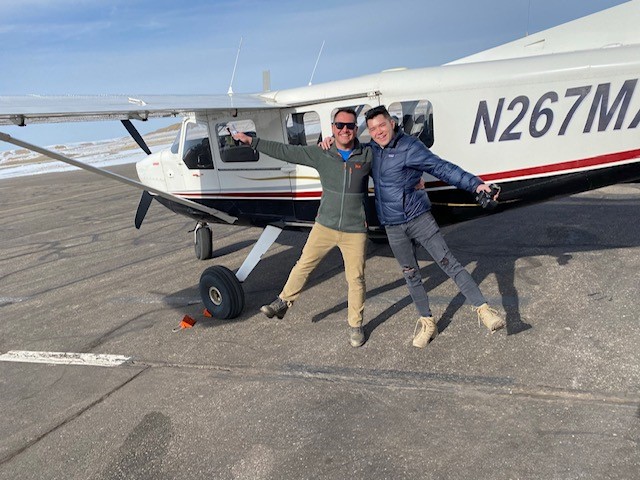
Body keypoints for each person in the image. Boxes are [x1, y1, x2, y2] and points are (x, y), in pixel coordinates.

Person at [364, 105, 506, 347]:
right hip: (393, 226)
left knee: (448, 262)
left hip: (419, 218)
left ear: (392, 123)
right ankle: (428, 322)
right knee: (410, 274)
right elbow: (346, 156)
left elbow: (442, 167)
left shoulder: (410, 147)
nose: (379, 132)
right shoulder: (371, 152)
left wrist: (476, 185)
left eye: (382, 125)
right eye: (373, 128)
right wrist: (327, 143)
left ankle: (483, 310)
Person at [230, 108, 372, 347]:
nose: (344, 130)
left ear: (356, 129)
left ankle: (355, 326)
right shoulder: (322, 153)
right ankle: (283, 302)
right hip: (324, 225)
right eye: (339, 125)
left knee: (356, 279)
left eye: (349, 126)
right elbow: (286, 151)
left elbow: (393, 161)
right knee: (304, 264)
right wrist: (250, 141)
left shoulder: (367, 155)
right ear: (333, 128)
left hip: (355, 229)